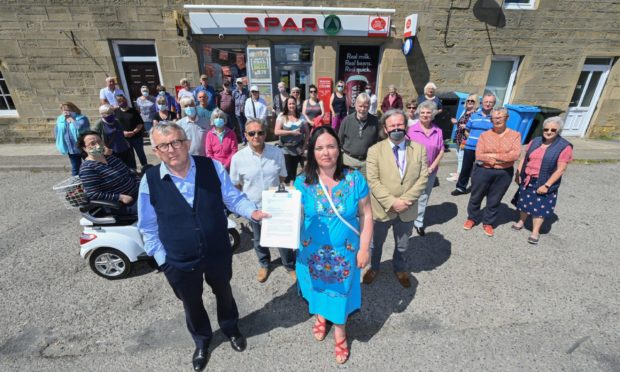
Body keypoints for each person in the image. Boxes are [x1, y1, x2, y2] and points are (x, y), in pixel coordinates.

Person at [138, 122, 270, 371]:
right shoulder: (150, 180)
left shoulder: (212, 167)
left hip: (217, 251)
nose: (171, 149)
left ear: (187, 143)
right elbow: (147, 226)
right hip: (178, 259)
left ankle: (231, 328)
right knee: (192, 303)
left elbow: (233, 198)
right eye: (163, 145)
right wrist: (163, 261)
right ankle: (202, 340)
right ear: (155, 150)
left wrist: (253, 212)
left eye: (176, 142)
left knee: (224, 292)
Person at [294, 126, 372, 365]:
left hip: (345, 254)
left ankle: (340, 333)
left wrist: (364, 248)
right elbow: (292, 216)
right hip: (311, 252)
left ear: (339, 149)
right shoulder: (302, 182)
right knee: (315, 289)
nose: (325, 152)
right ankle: (320, 315)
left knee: (340, 294)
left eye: (330, 146)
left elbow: (367, 215)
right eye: (319, 148)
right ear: (311, 151)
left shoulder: (354, 178)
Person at [364, 109, 428, 287]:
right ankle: (373, 267)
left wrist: (405, 202)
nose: (396, 128)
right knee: (375, 244)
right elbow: (373, 180)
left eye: (400, 124)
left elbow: (423, 178)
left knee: (403, 245)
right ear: (385, 128)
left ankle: (400, 268)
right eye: (392, 125)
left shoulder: (419, 149)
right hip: (382, 209)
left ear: (406, 126)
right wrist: (392, 203)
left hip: (408, 209)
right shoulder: (374, 151)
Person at [230, 120, 294, 283]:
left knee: (282, 238)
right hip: (253, 207)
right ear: (245, 135)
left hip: (276, 205)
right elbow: (236, 184)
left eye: (260, 132)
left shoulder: (276, 153)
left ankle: (289, 265)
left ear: (265, 134)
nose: (256, 136)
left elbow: (282, 176)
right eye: (251, 133)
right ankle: (264, 264)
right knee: (259, 239)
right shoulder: (238, 158)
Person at [512, 117, 573, 245]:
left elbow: (561, 169)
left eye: (553, 129)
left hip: (544, 181)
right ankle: (521, 221)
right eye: (546, 129)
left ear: (558, 130)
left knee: (540, 208)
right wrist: (518, 173)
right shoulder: (535, 141)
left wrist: (547, 185)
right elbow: (525, 158)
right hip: (528, 178)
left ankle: (535, 232)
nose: (549, 132)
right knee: (524, 203)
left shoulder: (564, 147)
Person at [463, 108, 521, 237]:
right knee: (476, 196)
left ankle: (488, 222)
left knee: (494, 199)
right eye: (494, 117)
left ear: (507, 118)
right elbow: (479, 155)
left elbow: (515, 155)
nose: (497, 119)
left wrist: (491, 156)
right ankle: (472, 218)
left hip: (504, 173)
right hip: (483, 171)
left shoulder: (515, 135)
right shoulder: (484, 135)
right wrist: (501, 158)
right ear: (491, 120)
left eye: (500, 117)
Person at [407, 100, 444, 236]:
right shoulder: (411, 130)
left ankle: (419, 222)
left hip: (430, 170)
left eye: (428, 112)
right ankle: (407, 221)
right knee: (411, 195)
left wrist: (432, 166)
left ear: (433, 114)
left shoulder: (438, 131)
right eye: (422, 112)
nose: (425, 115)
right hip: (413, 170)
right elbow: (405, 150)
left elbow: (441, 150)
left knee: (423, 197)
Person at [77, 131, 138, 213]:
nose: (98, 146)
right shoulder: (87, 168)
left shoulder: (110, 158)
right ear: (84, 148)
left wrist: (140, 183)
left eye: (99, 142)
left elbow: (129, 173)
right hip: (120, 204)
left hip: (137, 192)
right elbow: (93, 194)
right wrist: (120, 197)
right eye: (92, 144)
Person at [452, 92, 496, 196]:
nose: (488, 104)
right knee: (465, 168)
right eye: (486, 101)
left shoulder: (495, 117)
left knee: (482, 170)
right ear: (481, 103)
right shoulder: (474, 115)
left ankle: (480, 189)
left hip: (485, 149)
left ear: (494, 103)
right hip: (470, 147)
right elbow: (467, 130)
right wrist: (471, 139)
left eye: (490, 102)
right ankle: (461, 188)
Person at [337, 93, 380, 176]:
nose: (363, 109)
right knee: (349, 187)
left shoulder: (375, 122)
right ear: (356, 105)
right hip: (349, 162)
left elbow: (378, 142)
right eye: (360, 106)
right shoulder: (347, 120)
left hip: (366, 163)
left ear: (369, 106)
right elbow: (339, 141)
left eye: (365, 106)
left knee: (365, 187)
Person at [274, 96, 308, 184]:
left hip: (297, 148)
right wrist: (291, 132)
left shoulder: (301, 116)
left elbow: (307, 133)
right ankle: (285, 186)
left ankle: (292, 188)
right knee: (286, 170)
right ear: (286, 105)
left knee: (294, 170)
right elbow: (276, 131)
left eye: (293, 103)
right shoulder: (282, 116)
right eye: (290, 103)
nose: (291, 105)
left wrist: (304, 147)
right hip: (285, 148)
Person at [447, 94, 478, 182]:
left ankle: (459, 175)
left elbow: (474, 127)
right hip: (459, 136)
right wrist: (456, 122)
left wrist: (467, 127)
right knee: (458, 154)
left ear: (476, 103)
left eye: (472, 101)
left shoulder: (474, 114)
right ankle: (458, 171)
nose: (469, 102)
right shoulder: (465, 111)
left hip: (465, 138)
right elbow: (461, 123)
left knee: (461, 156)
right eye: (468, 100)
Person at [55, 102, 90, 176]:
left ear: (73, 109)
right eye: (63, 110)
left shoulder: (82, 118)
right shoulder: (60, 119)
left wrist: (71, 118)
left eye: (67, 110)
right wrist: (60, 143)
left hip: (83, 147)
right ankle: (76, 186)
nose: (65, 112)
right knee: (75, 168)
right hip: (71, 149)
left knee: (91, 164)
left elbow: (79, 126)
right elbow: (57, 131)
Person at [93, 104, 133, 168]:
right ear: (102, 114)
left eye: (112, 112)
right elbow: (94, 139)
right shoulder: (99, 124)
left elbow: (119, 132)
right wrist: (103, 148)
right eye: (108, 113)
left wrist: (125, 140)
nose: (111, 114)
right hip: (111, 152)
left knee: (128, 167)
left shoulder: (116, 121)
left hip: (124, 149)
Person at [115, 94, 147, 171]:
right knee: (130, 154)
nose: (122, 102)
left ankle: (145, 167)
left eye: (123, 100)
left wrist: (134, 132)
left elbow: (140, 123)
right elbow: (115, 126)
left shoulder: (134, 111)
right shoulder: (116, 112)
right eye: (120, 101)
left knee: (141, 153)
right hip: (125, 138)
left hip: (136, 137)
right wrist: (123, 133)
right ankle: (133, 169)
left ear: (126, 100)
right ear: (118, 103)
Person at [233, 78, 249, 144]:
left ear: (242, 84)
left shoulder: (246, 91)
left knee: (247, 126)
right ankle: (244, 140)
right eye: (238, 83)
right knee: (241, 127)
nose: (239, 84)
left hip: (245, 112)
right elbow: (233, 100)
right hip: (238, 112)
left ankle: (248, 138)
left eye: (240, 83)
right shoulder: (234, 92)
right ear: (236, 84)